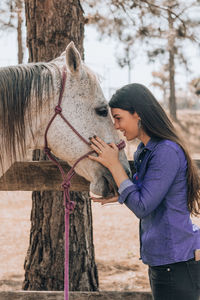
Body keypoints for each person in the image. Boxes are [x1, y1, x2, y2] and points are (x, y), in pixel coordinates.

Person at [88, 83, 200, 300]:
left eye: (119, 118)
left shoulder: (166, 151)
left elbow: (143, 205)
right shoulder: (145, 151)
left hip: (176, 263)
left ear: (137, 113)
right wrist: (121, 193)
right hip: (163, 261)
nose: (116, 126)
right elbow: (147, 192)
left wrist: (115, 166)